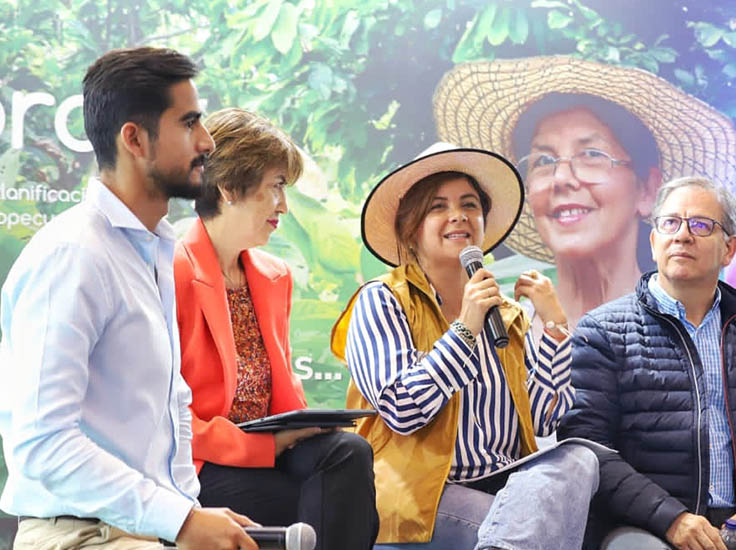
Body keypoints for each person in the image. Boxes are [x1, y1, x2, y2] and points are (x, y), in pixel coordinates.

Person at [0, 47, 259, 550]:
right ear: (135, 139)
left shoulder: (152, 249)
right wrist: (180, 520)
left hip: (144, 532)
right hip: (78, 535)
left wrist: (188, 515)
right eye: (189, 123)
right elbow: (42, 444)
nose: (207, 142)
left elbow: (171, 407)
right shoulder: (74, 254)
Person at [330, 143, 599, 548]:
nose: (458, 215)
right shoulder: (381, 300)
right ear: (411, 228)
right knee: (541, 533)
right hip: (422, 496)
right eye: (438, 206)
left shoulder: (505, 314)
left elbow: (545, 419)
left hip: (506, 488)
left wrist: (556, 326)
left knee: (580, 459)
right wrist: (466, 328)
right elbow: (402, 409)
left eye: (469, 205)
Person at [559, 176, 736, 550]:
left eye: (701, 225)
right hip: (646, 525)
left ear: (729, 249)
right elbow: (588, 446)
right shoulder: (603, 330)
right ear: (654, 242)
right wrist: (670, 518)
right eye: (670, 223)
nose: (682, 236)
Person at [174, 107, 378, 550]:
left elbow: (283, 389)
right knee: (315, 504)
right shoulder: (170, 270)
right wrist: (265, 448)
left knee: (350, 452)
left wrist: (309, 427)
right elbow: (163, 418)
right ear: (229, 188)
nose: (284, 205)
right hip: (200, 461)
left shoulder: (274, 275)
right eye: (276, 186)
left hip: (271, 447)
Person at [434, 56, 736, 326]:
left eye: (591, 155)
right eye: (543, 161)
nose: (561, 178)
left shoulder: (692, 330)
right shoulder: (503, 336)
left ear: (648, 190)